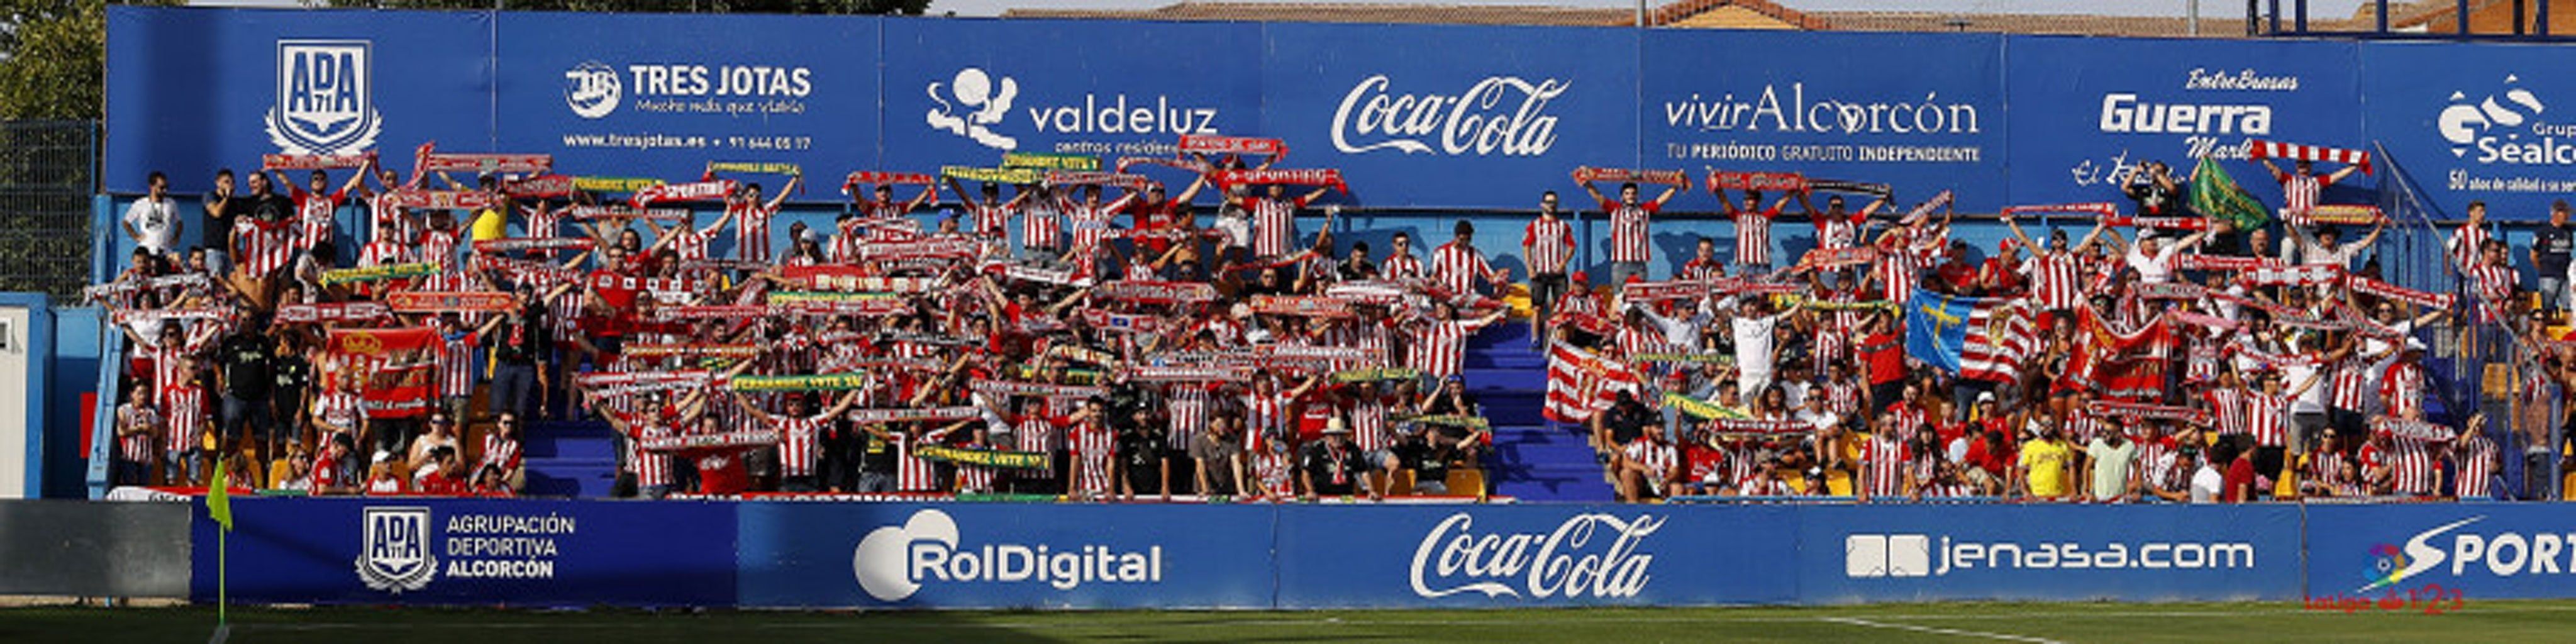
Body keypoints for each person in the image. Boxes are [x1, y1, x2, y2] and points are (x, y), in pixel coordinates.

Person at [1580, 180, 1679, 286]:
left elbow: (1661, 200)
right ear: (1622, 196)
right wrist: (1588, 184)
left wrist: (1676, 186)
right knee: (1619, 295)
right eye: (1627, 194)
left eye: (1633, 193)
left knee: (1640, 295)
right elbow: (1598, 197)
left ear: (1637, 196)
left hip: (1639, 262)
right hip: (1621, 262)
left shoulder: (1645, 209)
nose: (1630, 196)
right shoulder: (1615, 209)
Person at [1523, 191, 1577, 346]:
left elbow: (1572, 246)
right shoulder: (1535, 225)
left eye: (1554, 202)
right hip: (1540, 271)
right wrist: (1530, 268)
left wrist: (1563, 263)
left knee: (1561, 307)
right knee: (1537, 307)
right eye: (1548, 202)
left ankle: (1558, 339)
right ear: (1542, 204)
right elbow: (1527, 246)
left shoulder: (1563, 226)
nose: (1551, 205)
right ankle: (1534, 339)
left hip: (1558, 274)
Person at [1301, 418, 1372, 500]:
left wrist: (1371, 491)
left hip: (1346, 497)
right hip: (1322, 497)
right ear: (1327, 436)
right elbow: (1306, 473)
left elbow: (1364, 472)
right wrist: (1310, 491)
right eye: (1334, 435)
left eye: (1341, 435)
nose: (1338, 438)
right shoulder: (1317, 450)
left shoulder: (1353, 449)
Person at [123, 171, 182, 258]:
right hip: (147, 249)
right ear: (152, 187)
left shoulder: (171, 203)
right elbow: (126, 222)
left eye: (166, 187)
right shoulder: (140, 204)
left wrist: (177, 236)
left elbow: (179, 222)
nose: (165, 191)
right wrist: (136, 236)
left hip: (165, 249)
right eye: (161, 188)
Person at [2082, 427, 2141, 503]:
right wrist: (2086, 490)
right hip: (2099, 498)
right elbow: (2087, 467)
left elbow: (2137, 468)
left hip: (2120, 499)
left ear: (2119, 434)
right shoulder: (2097, 444)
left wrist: (2137, 490)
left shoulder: (2129, 446)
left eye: (2108, 432)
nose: (2104, 435)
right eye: (2103, 431)